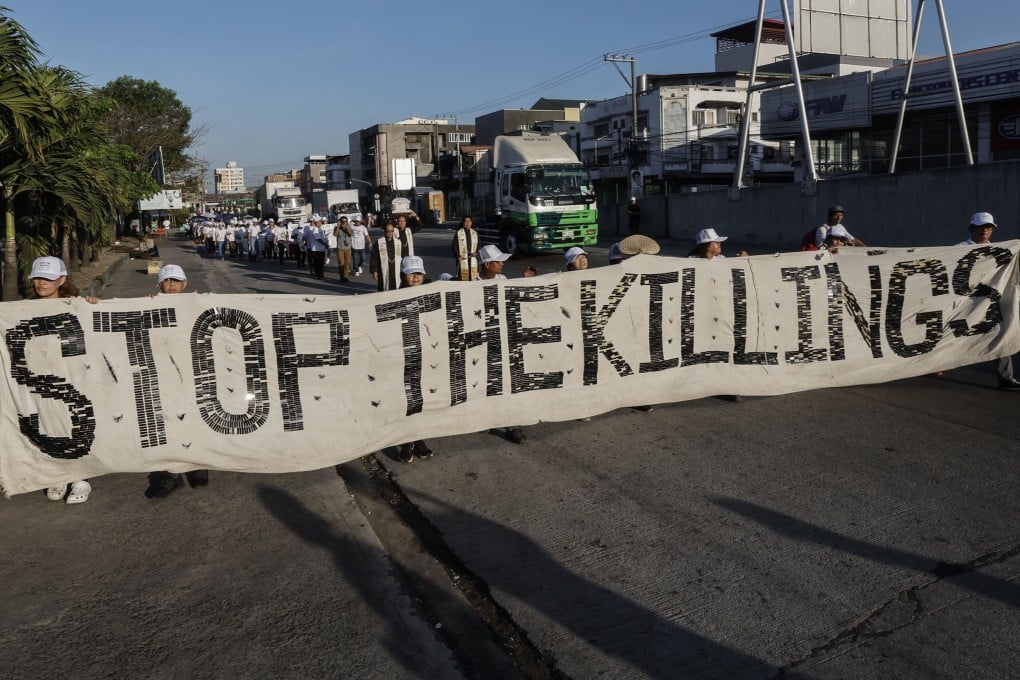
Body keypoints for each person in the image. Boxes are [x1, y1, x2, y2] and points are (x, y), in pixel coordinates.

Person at [27, 256, 98, 504]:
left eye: (47, 278)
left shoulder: (76, 305)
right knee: (47, 424)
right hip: (40, 378)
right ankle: (56, 475)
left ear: (62, 280)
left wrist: (93, 307)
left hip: (73, 376)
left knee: (75, 424)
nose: (41, 283)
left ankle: (81, 478)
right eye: (37, 277)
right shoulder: (21, 309)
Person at [145, 265, 211, 498]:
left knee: (196, 417)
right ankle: (169, 473)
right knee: (166, 421)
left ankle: (197, 466)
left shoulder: (197, 305)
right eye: (166, 281)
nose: (171, 286)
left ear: (185, 285)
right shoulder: (147, 306)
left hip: (193, 372)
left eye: (176, 281)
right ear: (159, 284)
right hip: (162, 374)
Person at [955, 211, 1020, 391]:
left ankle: (1005, 378)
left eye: (988, 227)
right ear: (972, 229)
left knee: (999, 335)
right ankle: (933, 365)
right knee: (953, 337)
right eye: (980, 227)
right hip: (964, 304)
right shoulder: (959, 249)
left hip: (988, 304)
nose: (984, 231)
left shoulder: (1001, 251)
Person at [395, 255, 435, 463]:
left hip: (427, 353)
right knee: (409, 401)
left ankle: (418, 442)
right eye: (412, 274)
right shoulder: (394, 297)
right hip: (405, 355)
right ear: (403, 276)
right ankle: (406, 442)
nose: (416, 277)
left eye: (419, 273)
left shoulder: (430, 293)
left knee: (424, 400)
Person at [370, 220, 403, 291]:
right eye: (388, 231)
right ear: (384, 231)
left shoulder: (398, 243)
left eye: (392, 231)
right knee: (383, 287)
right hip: (383, 270)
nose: (390, 233)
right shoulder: (379, 242)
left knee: (396, 286)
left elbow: (403, 256)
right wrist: (375, 271)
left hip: (396, 269)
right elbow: (374, 257)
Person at [451, 215, 480, 281]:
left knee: (473, 277)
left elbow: (479, 244)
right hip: (462, 259)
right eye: (465, 221)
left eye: (469, 221)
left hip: (472, 259)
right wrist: (457, 256)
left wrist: (476, 252)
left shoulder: (475, 233)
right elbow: (454, 246)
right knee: (462, 277)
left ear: (471, 222)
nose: (467, 223)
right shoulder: (458, 233)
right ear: (463, 222)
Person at [333, 216, 354, 282]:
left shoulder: (349, 227)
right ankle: (342, 277)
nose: (344, 223)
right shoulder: (337, 228)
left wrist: (346, 228)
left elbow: (351, 234)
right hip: (340, 248)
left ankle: (346, 276)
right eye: (342, 221)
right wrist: (338, 226)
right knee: (341, 263)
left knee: (347, 263)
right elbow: (335, 235)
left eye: (345, 221)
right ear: (340, 221)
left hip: (348, 248)